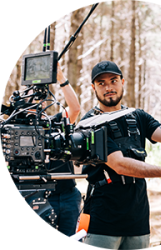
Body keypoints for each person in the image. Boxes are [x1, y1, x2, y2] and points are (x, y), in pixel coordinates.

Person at [81, 61, 161, 250]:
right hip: (102, 219)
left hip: (138, 218)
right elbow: (119, 165)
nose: (109, 87)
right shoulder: (90, 123)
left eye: (113, 81)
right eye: (101, 83)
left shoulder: (137, 116)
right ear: (93, 87)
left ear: (122, 82)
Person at [46, 63, 82, 238]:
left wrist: (60, 78)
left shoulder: (54, 121)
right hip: (41, 197)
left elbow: (75, 109)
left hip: (69, 195)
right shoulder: (13, 128)